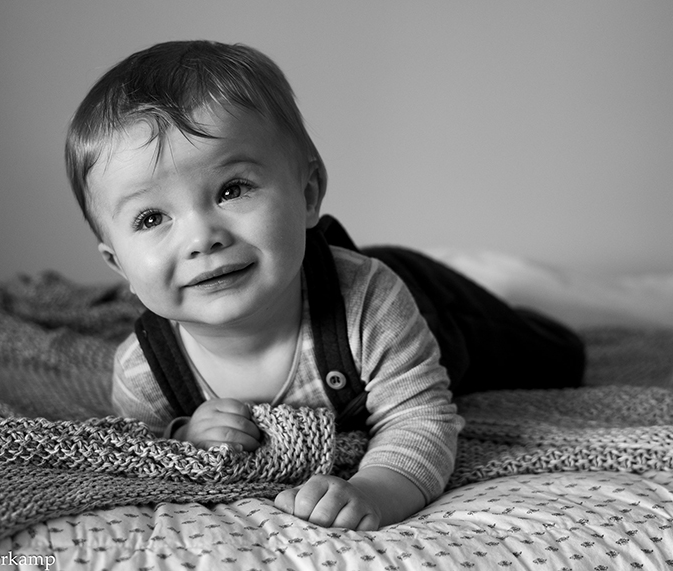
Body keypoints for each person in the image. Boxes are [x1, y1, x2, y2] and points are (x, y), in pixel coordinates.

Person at [64, 40, 584, 531]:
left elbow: (422, 418)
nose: (202, 238)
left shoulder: (370, 299)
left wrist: (378, 490)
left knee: (557, 357)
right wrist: (187, 434)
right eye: (152, 218)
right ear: (118, 265)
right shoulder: (143, 370)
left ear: (308, 193)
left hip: (429, 308)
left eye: (232, 189)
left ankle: (509, 298)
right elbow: (143, 450)